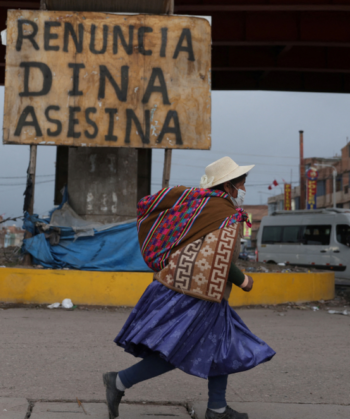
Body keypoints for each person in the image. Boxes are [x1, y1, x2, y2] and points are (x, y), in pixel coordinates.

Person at [103, 157, 275, 419]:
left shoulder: (205, 206)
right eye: (241, 182)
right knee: (177, 349)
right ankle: (119, 381)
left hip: (197, 289)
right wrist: (244, 281)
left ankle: (217, 408)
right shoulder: (223, 213)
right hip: (197, 294)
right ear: (228, 185)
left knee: (221, 347)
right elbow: (217, 256)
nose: (244, 188)